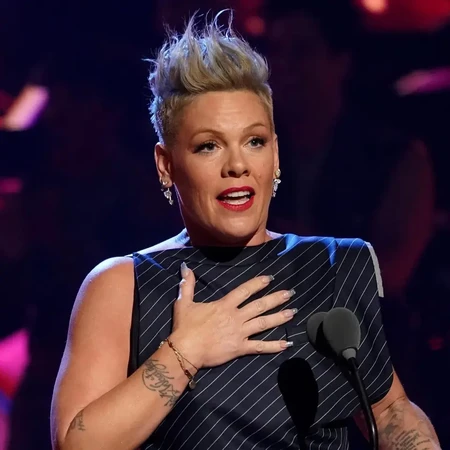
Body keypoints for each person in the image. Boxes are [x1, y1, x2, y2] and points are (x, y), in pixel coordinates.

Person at [50, 12, 441, 450]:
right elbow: (75, 444)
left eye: (254, 141)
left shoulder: (332, 266)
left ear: (275, 154)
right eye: (208, 146)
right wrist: (185, 352)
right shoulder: (123, 285)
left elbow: (389, 411)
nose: (237, 165)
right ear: (166, 165)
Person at [265, 0, 435, 301]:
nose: (283, 65)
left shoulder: (398, 159)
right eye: (276, 50)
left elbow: (391, 273)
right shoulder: (251, 152)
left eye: (302, 51)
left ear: (341, 62)